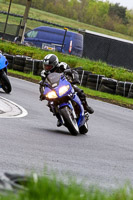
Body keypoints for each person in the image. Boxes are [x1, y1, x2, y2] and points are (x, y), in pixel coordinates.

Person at [39, 54, 94, 126]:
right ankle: (60, 116)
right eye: (45, 66)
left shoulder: (62, 66)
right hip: (55, 89)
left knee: (80, 92)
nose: (47, 68)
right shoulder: (44, 73)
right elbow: (43, 84)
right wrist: (42, 93)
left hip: (66, 84)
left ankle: (86, 106)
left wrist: (75, 79)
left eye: (49, 66)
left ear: (54, 64)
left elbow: (73, 72)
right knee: (50, 103)